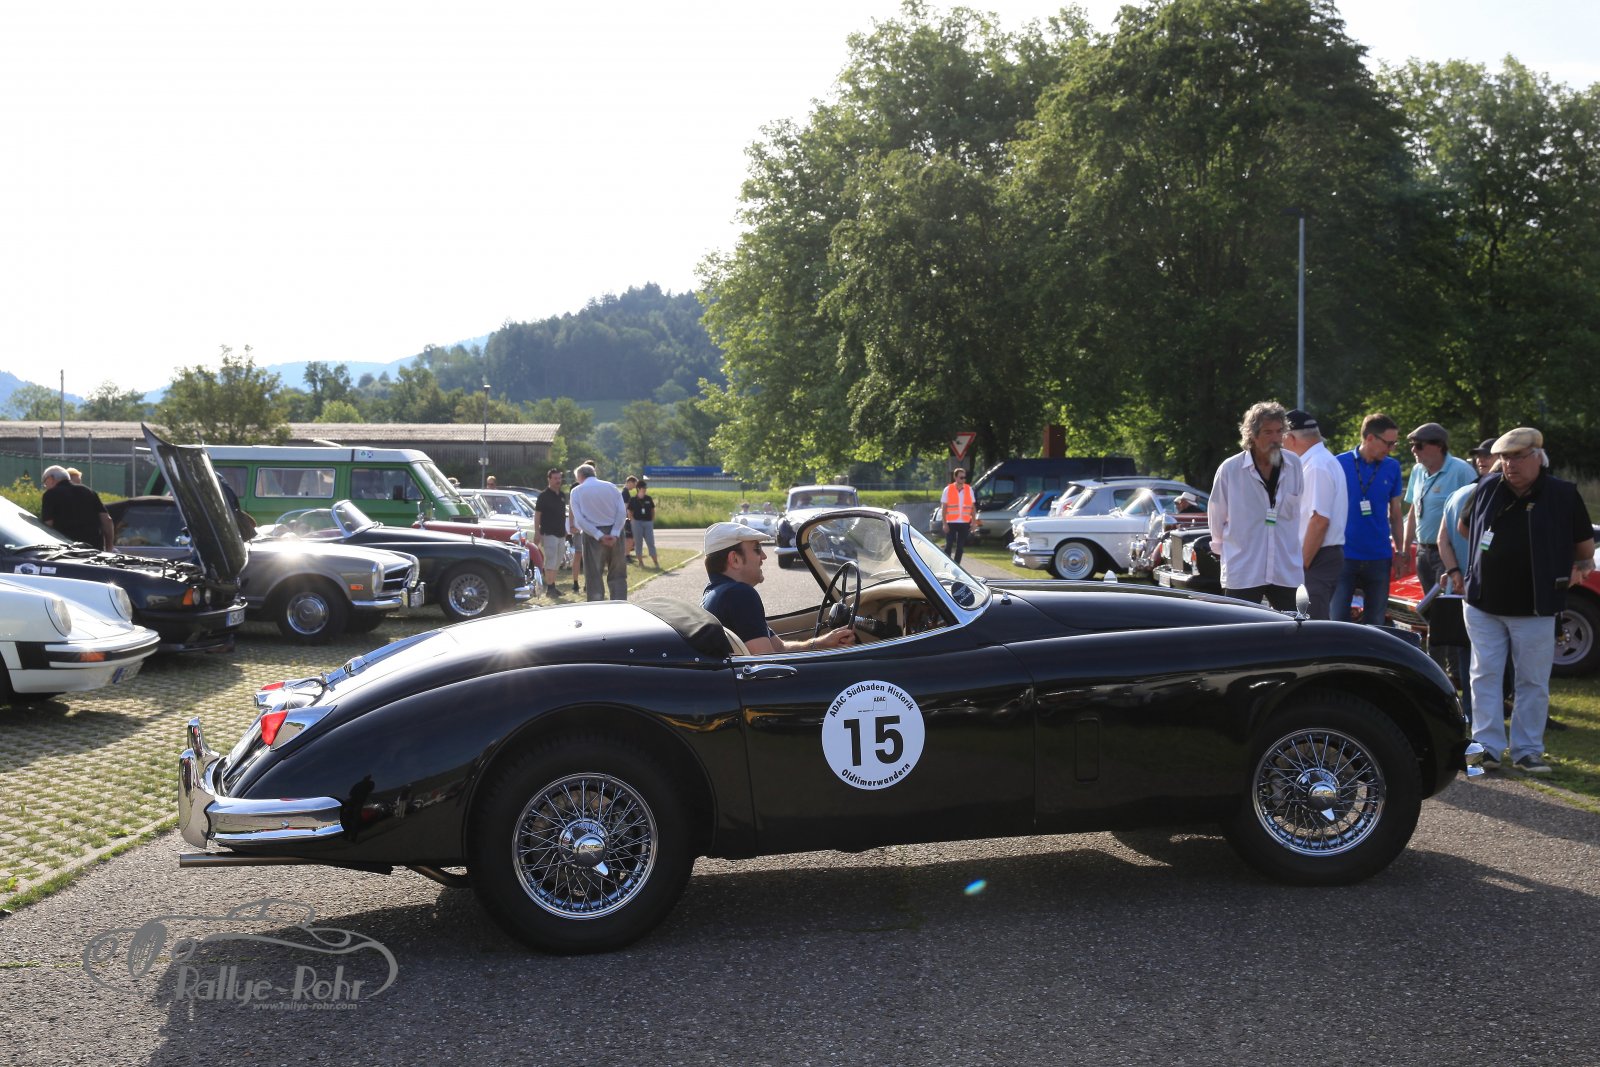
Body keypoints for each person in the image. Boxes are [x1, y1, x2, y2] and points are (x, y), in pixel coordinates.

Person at [1458, 428, 1593, 774]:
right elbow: (1464, 527)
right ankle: (1486, 749)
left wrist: (1577, 568)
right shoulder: (1487, 486)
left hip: (1535, 606)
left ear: (1538, 457)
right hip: (1483, 603)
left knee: (1531, 681)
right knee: (1484, 675)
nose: (1509, 465)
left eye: (1517, 457)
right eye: (1505, 458)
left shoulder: (1562, 494)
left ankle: (1527, 751)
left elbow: (1584, 548)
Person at [701, 523, 856, 654]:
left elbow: (779, 648)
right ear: (735, 559)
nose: (764, 556)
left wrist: (823, 643)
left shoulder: (714, 594)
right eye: (757, 548)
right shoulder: (739, 594)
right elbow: (767, 663)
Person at [1208, 401, 1304, 610]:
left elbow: (1297, 514)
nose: (1276, 438)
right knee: (1240, 628)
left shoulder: (1294, 464)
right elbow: (1216, 519)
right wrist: (1226, 554)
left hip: (1285, 568)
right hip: (1244, 569)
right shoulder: (1230, 470)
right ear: (1252, 434)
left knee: (1295, 626)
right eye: (1268, 432)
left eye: (1279, 431)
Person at [1435, 438, 1499, 717]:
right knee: (1487, 654)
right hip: (1486, 587)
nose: (1481, 460)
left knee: (1465, 651)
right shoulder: (1492, 497)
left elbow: (1442, 540)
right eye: (1479, 456)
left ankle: (1471, 711)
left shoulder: (1456, 495)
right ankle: (1484, 710)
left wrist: (1454, 572)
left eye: (1486, 455)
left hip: (1461, 585)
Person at [1332, 413, 1406, 624]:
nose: (1391, 449)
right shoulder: (1338, 463)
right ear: (1370, 438)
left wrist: (1400, 551)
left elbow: (1396, 513)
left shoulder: (1392, 467)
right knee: (1337, 620)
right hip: (1344, 555)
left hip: (1379, 556)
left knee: (1376, 623)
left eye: (1394, 444)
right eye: (1388, 443)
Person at [1282, 409, 1347, 619]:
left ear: (1290, 438)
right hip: (1319, 556)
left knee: (1311, 626)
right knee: (1310, 622)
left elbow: (1319, 521)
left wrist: (1300, 567)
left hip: (1315, 558)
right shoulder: (1321, 461)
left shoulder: (1316, 466)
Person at [1400, 422, 1477, 597]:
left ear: (1439, 446)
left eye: (1419, 445)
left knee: (1447, 607)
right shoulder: (1417, 470)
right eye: (1412, 445)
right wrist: (1406, 549)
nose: (1413, 450)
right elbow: (1414, 511)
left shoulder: (1461, 471)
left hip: (1449, 554)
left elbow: (1475, 514)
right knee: (1429, 607)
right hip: (1422, 552)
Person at [569, 463, 629, 601]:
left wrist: (599, 535)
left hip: (592, 535)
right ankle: (620, 603)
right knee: (618, 574)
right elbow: (622, 512)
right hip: (615, 532)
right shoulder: (611, 487)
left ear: (580, 477)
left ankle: (596, 605)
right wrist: (614, 533)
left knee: (594, 575)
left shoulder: (576, 491)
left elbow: (580, 519)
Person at [39, 464, 114, 550]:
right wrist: (109, 548)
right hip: (94, 548)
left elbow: (48, 525)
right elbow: (107, 520)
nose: (45, 487)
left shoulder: (50, 495)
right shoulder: (89, 491)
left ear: (50, 478)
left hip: (66, 550)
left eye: (45, 483)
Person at [534, 468, 568, 595]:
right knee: (551, 559)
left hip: (561, 533)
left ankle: (553, 585)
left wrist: (565, 529)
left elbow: (562, 514)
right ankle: (550, 587)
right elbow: (537, 515)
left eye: (559, 478)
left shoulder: (562, 495)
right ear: (549, 479)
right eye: (555, 478)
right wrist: (537, 531)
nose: (558, 481)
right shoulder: (543, 496)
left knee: (558, 560)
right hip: (548, 533)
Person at [940, 468, 975, 563]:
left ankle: (956, 566)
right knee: (949, 545)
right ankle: (947, 565)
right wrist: (944, 523)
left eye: (964, 477)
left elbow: (972, 507)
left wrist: (973, 522)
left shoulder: (969, 489)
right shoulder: (948, 489)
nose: (963, 479)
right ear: (955, 477)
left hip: (964, 522)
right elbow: (944, 508)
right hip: (951, 522)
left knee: (960, 547)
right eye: (961, 477)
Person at [628, 476, 658, 567]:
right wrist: (632, 520)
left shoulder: (648, 498)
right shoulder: (633, 499)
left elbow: (652, 509)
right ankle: (640, 562)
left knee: (650, 542)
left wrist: (652, 519)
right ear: (638, 488)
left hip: (648, 522)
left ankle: (656, 562)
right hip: (637, 522)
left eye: (645, 487)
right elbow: (629, 511)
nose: (645, 489)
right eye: (643, 488)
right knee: (638, 543)